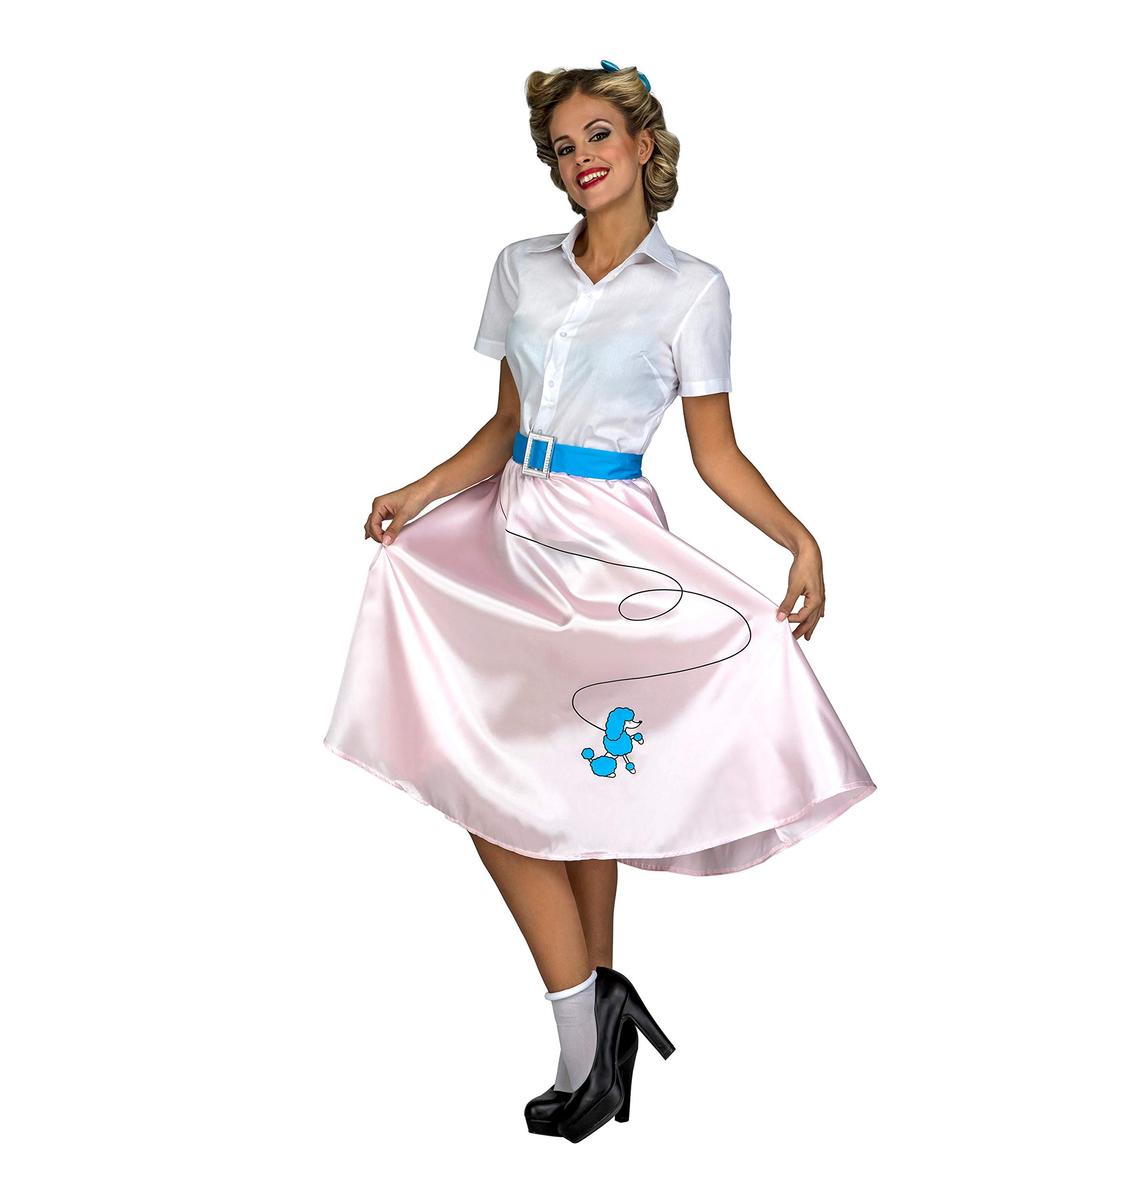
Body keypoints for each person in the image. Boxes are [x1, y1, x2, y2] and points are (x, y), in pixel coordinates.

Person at [323, 61, 878, 1142]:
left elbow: (715, 453)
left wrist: (800, 538)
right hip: (505, 534)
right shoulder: (520, 267)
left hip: (609, 545)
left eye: (598, 136)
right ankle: (595, 1024)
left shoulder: (694, 289)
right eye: (563, 145)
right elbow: (505, 425)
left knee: (572, 784)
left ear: (642, 146)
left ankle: (588, 1033)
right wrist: (419, 490)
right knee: (491, 776)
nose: (580, 157)